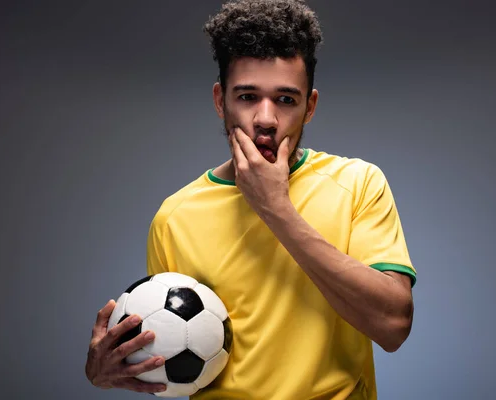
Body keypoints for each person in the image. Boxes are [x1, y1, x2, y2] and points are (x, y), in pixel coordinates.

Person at [85, 0, 417, 398]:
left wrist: (276, 209)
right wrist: (108, 368)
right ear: (219, 100)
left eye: (285, 99)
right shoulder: (175, 217)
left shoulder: (358, 183)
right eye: (246, 97)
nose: (265, 118)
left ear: (309, 106)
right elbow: (169, 355)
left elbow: (393, 326)